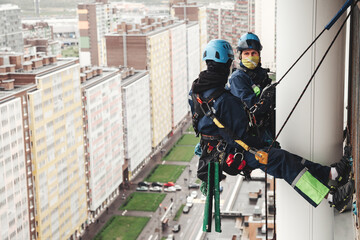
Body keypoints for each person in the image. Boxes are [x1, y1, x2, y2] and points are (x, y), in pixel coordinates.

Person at [189, 39, 354, 213]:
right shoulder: (226, 100)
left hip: (218, 151)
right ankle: (333, 198)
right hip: (236, 153)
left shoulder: (196, 90)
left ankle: (333, 174)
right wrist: (262, 144)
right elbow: (241, 135)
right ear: (227, 64)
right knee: (283, 161)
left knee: (285, 157)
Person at [228, 32, 275, 146]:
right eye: (246, 53)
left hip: (267, 125)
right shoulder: (238, 78)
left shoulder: (262, 75)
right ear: (240, 57)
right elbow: (252, 107)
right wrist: (269, 98)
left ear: (259, 55)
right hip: (251, 132)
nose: (250, 56)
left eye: (253, 53)